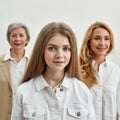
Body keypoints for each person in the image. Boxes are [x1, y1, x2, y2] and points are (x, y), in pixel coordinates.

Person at [11, 22, 96, 120]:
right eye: (51, 48)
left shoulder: (82, 91)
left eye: (66, 48)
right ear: (41, 51)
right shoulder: (23, 92)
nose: (59, 55)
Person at [79, 21, 120, 120]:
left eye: (106, 39)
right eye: (97, 38)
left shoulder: (116, 71)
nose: (102, 43)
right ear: (89, 41)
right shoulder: (78, 68)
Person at [0, 22, 30, 120]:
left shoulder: (34, 63)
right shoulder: (1, 62)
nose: (18, 39)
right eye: (13, 36)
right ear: (9, 39)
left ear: (27, 39)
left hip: (28, 114)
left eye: (21, 35)